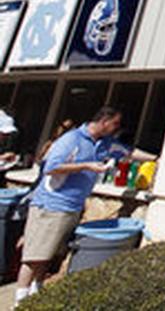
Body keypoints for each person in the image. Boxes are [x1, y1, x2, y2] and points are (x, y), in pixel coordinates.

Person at [14, 107, 150, 305]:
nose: (117, 128)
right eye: (115, 124)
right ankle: (19, 300)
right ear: (104, 121)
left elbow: (129, 152)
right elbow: (51, 167)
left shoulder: (104, 144)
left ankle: (36, 296)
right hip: (51, 206)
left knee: (47, 255)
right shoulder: (71, 139)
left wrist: (157, 158)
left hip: (73, 207)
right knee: (34, 256)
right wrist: (87, 166)